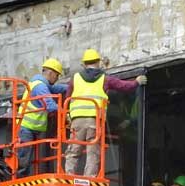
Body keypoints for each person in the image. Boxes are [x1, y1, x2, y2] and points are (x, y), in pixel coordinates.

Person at [63, 49, 147, 177]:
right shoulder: (105, 79)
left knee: (74, 149)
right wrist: (137, 81)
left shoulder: (75, 79)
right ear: (98, 63)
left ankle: (68, 175)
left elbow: (67, 99)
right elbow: (124, 86)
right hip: (94, 121)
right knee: (93, 150)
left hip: (77, 120)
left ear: (84, 64)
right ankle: (90, 177)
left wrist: (67, 115)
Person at [17, 58, 68, 177]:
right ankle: (20, 178)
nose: (57, 79)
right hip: (26, 127)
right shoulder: (40, 87)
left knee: (29, 156)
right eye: (57, 75)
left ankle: (23, 177)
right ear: (50, 73)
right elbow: (50, 106)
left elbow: (57, 89)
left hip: (32, 127)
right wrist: (66, 113)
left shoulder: (39, 84)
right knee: (25, 156)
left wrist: (71, 86)